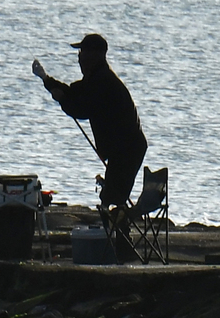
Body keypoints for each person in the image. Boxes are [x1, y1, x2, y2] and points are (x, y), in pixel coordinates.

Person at [33, 33, 148, 209]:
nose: (79, 57)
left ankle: (117, 233)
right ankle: (116, 230)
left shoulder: (102, 81)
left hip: (127, 149)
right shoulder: (96, 78)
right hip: (121, 148)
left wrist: (62, 100)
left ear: (95, 54)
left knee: (112, 197)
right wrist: (46, 79)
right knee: (112, 196)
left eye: (82, 52)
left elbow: (82, 109)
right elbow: (73, 92)